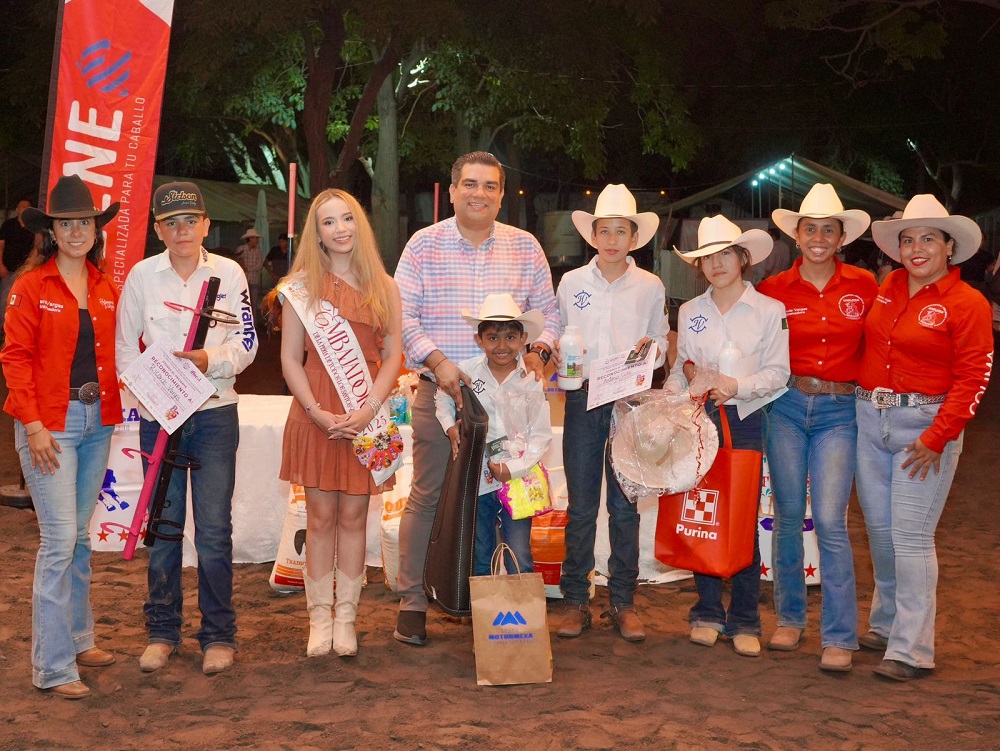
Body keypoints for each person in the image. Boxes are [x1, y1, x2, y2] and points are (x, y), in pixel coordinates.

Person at [392, 151, 560, 645]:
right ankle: (413, 602)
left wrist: (542, 350)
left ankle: (495, 610)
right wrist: (440, 363)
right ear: (452, 188)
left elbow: (548, 312)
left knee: (502, 504)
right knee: (429, 497)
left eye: (490, 186)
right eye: (470, 183)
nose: (479, 194)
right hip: (444, 392)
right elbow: (402, 318)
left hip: (510, 397)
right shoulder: (423, 245)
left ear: (502, 194)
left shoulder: (525, 247)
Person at [116, 181, 258, 675]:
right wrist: (155, 393)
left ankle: (219, 635)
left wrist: (208, 359)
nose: (182, 231)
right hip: (161, 419)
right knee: (165, 527)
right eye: (171, 222)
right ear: (158, 229)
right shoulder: (141, 277)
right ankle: (162, 630)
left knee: (216, 531)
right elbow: (124, 349)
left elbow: (247, 344)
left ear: (205, 225)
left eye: (190, 221)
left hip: (216, 413)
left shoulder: (230, 273)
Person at [856, 195, 992, 682]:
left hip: (925, 427)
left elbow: (975, 375)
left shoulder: (966, 303)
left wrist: (939, 436)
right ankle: (887, 622)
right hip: (872, 419)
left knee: (911, 536)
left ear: (949, 247)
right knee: (880, 531)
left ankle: (912, 649)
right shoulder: (889, 286)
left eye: (928, 238)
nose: (916, 248)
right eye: (908, 239)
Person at [0, 176, 122, 699]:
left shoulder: (104, 286)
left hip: (98, 421)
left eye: (84, 223)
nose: (76, 231)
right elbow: (15, 359)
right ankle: (51, 667)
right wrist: (32, 425)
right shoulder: (30, 287)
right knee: (57, 542)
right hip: (48, 424)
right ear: (51, 231)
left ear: (96, 230)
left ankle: (77, 639)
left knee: (78, 536)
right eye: (66, 223)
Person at [268, 189, 401, 658]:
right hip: (316, 410)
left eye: (348, 218)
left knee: (353, 517)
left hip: (364, 411)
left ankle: (347, 617)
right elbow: (290, 359)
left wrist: (368, 408)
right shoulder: (301, 288)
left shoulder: (384, 285)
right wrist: (315, 411)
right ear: (317, 233)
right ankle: (318, 618)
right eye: (329, 222)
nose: (340, 228)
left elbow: (392, 357)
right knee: (320, 517)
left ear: (359, 224)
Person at [760, 183, 877, 672]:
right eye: (811, 228)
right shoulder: (772, 289)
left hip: (841, 410)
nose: (819, 237)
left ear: (841, 236)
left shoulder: (866, 286)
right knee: (788, 515)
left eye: (829, 229)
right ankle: (789, 619)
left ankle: (840, 636)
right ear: (797, 234)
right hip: (786, 403)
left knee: (830, 520)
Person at [666, 215, 789, 658]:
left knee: (740, 517)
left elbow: (779, 371)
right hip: (699, 422)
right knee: (701, 513)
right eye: (706, 258)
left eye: (724, 254)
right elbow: (683, 370)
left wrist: (738, 386)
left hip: (746, 419)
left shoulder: (768, 311)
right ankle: (706, 611)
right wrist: (670, 400)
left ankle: (744, 618)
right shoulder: (691, 311)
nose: (716, 264)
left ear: (742, 258)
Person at [554, 184, 667, 642]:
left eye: (621, 231)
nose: (612, 239)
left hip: (629, 402)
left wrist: (652, 350)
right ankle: (575, 600)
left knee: (624, 507)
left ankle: (623, 600)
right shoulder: (572, 283)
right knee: (581, 506)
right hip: (582, 400)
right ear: (593, 235)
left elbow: (660, 345)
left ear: (634, 237)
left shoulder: (651, 286)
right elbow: (562, 338)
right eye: (605, 230)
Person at [435, 294, 552, 576]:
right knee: (480, 546)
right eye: (492, 338)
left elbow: (541, 434)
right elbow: (442, 396)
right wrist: (450, 426)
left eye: (510, 337)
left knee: (519, 550)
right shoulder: (468, 371)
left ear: (523, 339)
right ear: (479, 340)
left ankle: (521, 614)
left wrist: (512, 469)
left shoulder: (531, 380)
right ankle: (484, 614)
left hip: (518, 478)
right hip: (477, 475)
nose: (502, 346)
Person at [0, 199, 41, 333]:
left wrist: (33, 266)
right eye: (22, 206)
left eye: (27, 207)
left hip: (26, 273)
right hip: (9, 270)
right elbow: (1, 245)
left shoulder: (33, 227)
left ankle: (16, 331)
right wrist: (0, 264)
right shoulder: (8, 225)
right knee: (4, 302)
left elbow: (37, 247)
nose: (24, 208)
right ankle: (2, 331)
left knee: (23, 303)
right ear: (17, 209)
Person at [236, 228, 264, 314]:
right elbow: (237, 261)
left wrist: (247, 268)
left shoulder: (258, 251)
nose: (257, 240)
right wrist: (247, 268)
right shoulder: (241, 249)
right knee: (243, 302)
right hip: (244, 279)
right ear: (250, 238)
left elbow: (259, 265)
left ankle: (254, 324)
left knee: (254, 303)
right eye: (255, 238)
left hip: (254, 279)